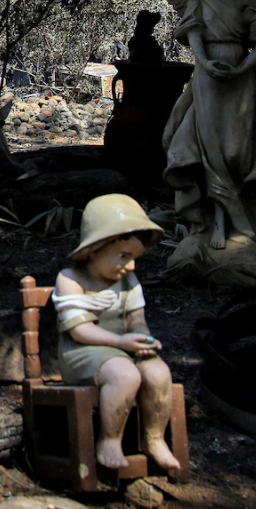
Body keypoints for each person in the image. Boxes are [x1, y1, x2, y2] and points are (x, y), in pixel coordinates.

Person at [161, 0, 256, 249]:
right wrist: (204, 64)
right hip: (208, 75)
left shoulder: (248, 0)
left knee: (236, 151)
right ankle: (221, 222)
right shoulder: (199, 0)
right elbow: (193, 36)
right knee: (211, 149)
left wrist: (242, 66)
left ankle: (240, 216)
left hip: (239, 76)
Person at [53, 193, 181, 472]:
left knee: (158, 373)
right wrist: (122, 342)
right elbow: (80, 331)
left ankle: (154, 439)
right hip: (82, 353)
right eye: (124, 256)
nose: (131, 265)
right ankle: (109, 440)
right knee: (125, 374)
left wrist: (144, 340)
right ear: (95, 248)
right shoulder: (71, 279)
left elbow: (137, 321)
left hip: (123, 348)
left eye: (135, 258)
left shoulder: (128, 280)